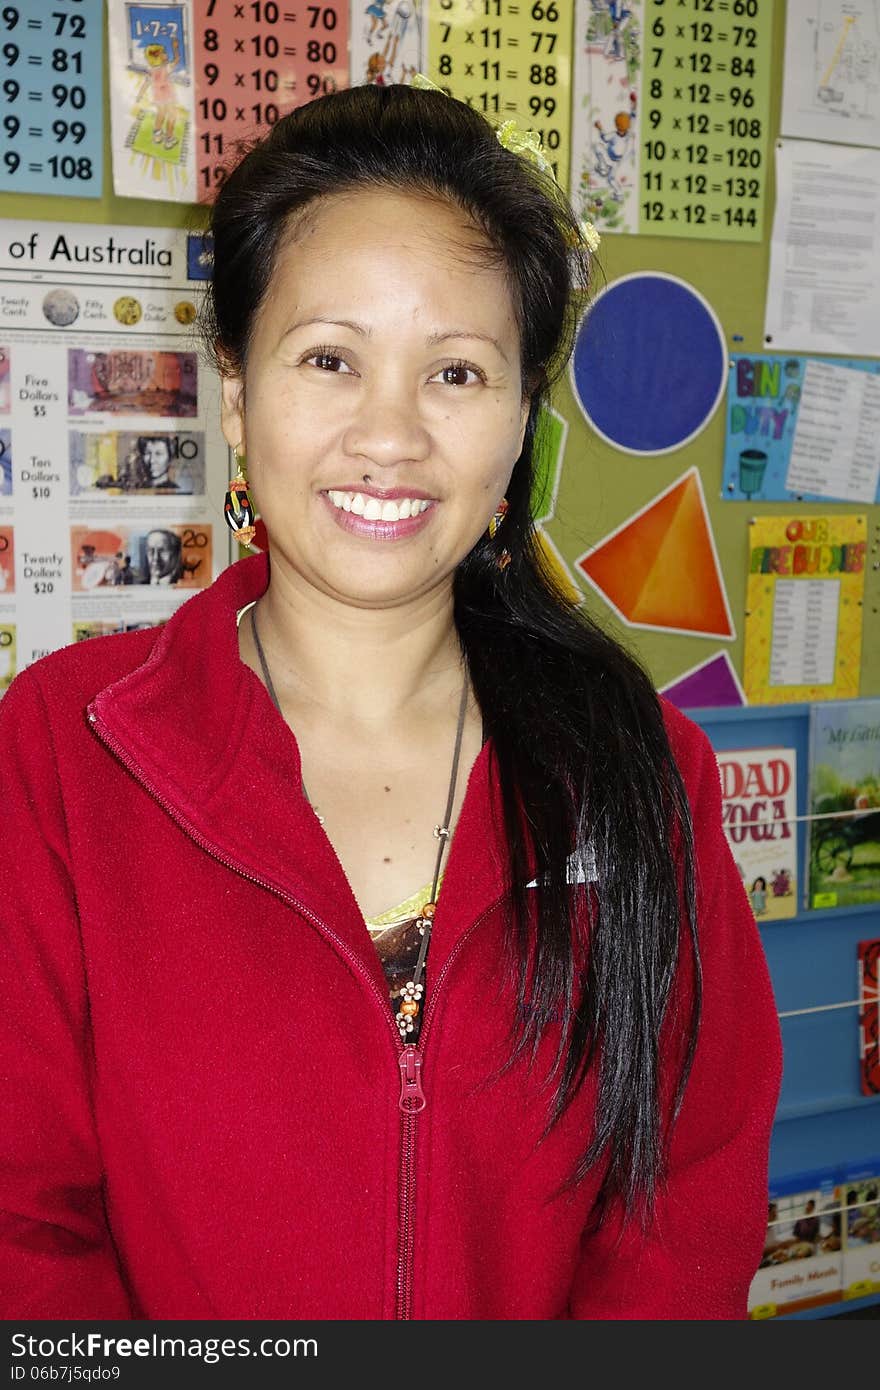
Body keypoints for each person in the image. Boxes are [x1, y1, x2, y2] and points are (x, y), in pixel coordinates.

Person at [0, 82, 781, 1321]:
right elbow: (23, 1227)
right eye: (327, 358)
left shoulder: (639, 766)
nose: (389, 435)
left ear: (520, 419)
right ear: (237, 391)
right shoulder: (60, 748)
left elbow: (682, 1200)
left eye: (457, 373)